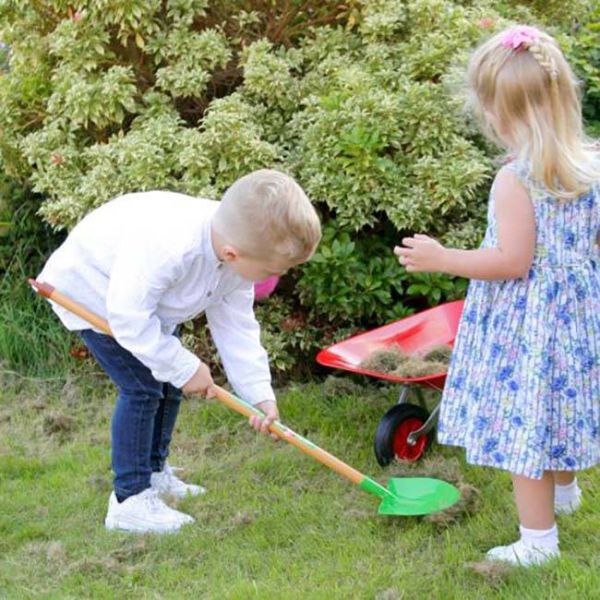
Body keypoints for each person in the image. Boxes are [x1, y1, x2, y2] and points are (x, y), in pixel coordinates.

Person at [395, 25, 599, 566]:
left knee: (524, 423)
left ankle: (538, 543)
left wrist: (443, 258)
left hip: (527, 321)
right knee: (558, 405)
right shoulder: (591, 162)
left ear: (506, 114)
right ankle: (565, 493)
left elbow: (511, 261)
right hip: (576, 318)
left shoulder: (516, 180)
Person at [37, 169, 321, 533]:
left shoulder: (235, 256)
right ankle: (130, 500)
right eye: (270, 271)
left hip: (142, 307)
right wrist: (183, 366)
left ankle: (155, 474)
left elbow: (237, 330)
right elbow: (128, 317)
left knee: (169, 380)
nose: (273, 280)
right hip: (94, 297)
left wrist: (259, 396)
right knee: (143, 387)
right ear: (234, 253)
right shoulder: (171, 245)